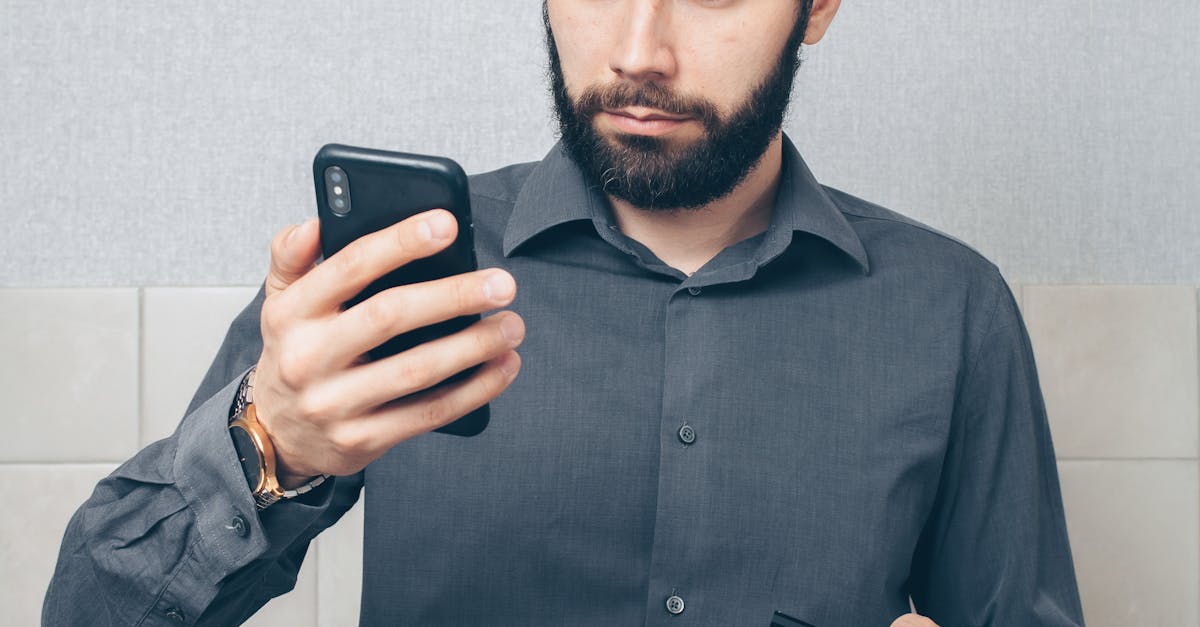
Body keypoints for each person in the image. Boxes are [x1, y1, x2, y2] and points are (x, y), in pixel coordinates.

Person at [44, 1, 1085, 625]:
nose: (640, 52)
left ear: (818, 6)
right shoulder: (387, 280)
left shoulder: (951, 309)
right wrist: (271, 446)